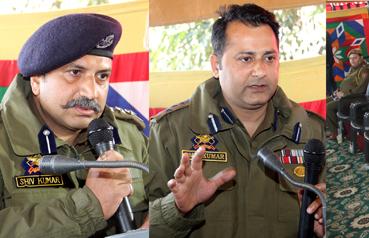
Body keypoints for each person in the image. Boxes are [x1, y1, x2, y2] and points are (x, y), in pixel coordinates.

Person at [147, 4, 326, 237]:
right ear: (216, 66)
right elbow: (140, 228)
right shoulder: (169, 131)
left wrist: (326, 226)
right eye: (246, 59)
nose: (260, 71)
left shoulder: (313, 132)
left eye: (269, 58)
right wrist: (178, 209)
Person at [0, 13, 148, 238]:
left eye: (102, 76)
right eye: (75, 73)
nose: (91, 92)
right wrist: (88, 206)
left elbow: (166, 199)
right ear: (37, 80)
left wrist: (163, 217)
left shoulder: (130, 136)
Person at [325, 49, 369, 140]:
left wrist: (344, 94)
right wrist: (337, 91)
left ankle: (338, 131)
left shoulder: (364, 70)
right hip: (345, 96)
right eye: (350, 59)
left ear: (361, 58)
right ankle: (335, 129)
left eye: (355, 58)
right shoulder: (353, 69)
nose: (352, 60)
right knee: (325, 102)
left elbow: (361, 89)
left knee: (328, 107)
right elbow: (345, 82)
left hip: (355, 99)